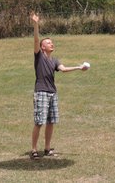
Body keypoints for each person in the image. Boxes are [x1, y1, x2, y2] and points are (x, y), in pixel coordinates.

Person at [30, 12, 88, 159]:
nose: (52, 44)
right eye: (49, 43)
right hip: (41, 92)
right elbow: (36, 40)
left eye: (52, 42)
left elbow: (63, 69)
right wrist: (36, 24)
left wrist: (79, 67)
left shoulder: (54, 60)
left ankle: (47, 149)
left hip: (52, 93)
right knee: (39, 122)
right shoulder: (39, 56)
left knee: (51, 122)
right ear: (42, 47)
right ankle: (33, 150)